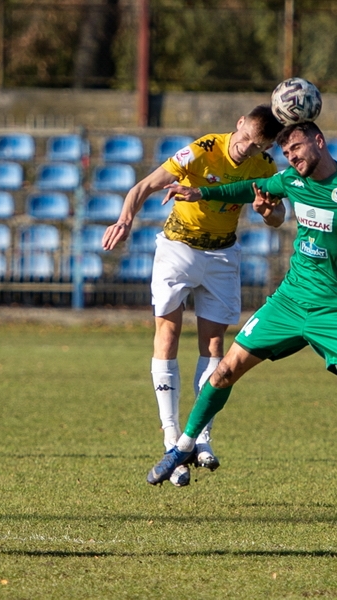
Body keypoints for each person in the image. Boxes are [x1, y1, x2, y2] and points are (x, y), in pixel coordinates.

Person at [145, 121, 337, 513]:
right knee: (224, 371)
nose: (291, 157)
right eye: (286, 153)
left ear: (319, 141)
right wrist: (199, 192)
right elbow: (247, 189)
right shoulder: (291, 180)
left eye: (296, 148)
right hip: (290, 302)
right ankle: (183, 446)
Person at [101, 105, 283, 487]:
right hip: (179, 247)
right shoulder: (202, 150)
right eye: (247, 139)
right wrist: (125, 218)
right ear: (239, 124)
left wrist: (268, 213)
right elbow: (144, 185)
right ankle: (171, 437)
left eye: (258, 145)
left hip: (221, 253)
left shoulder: (265, 167)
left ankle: (200, 438)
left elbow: (278, 216)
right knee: (167, 335)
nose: (247, 149)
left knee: (214, 344)